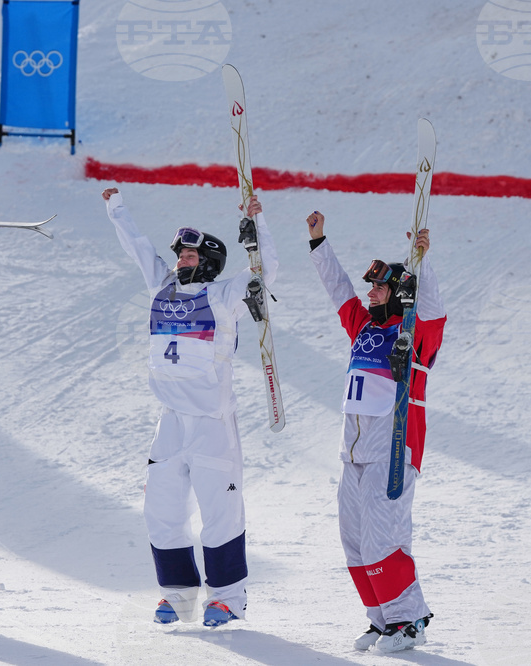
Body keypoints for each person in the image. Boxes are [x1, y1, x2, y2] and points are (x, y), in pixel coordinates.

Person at [102, 187, 278, 627]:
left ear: (211, 261)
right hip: (170, 422)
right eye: (179, 253)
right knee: (160, 511)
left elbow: (265, 270)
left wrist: (258, 226)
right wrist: (116, 210)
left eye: (190, 254)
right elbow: (139, 249)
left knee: (219, 511)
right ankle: (177, 594)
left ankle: (227, 598)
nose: (180, 259)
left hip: (211, 421)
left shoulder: (224, 298)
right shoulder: (161, 288)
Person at [304, 210, 445, 653]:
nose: (370, 293)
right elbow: (339, 290)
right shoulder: (363, 327)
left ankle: (409, 619)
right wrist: (319, 243)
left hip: (394, 450)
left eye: (379, 286)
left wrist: (422, 261)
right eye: (372, 287)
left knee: (384, 536)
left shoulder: (414, 332)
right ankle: (382, 619)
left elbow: (435, 309)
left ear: (401, 291)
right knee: (354, 541)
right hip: (354, 452)